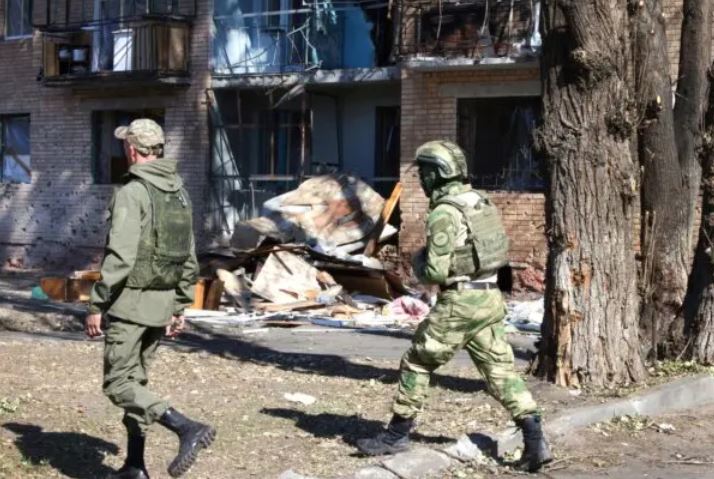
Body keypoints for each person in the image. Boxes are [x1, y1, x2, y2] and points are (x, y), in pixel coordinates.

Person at [356, 140, 552, 472]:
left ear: (438, 174)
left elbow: (434, 271)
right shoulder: (478, 200)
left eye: (425, 173)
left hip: (461, 301)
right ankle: (535, 440)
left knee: (417, 361)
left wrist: (418, 262)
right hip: (489, 297)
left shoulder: (445, 212)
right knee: (500, 372)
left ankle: (396, 434)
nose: (422, 179)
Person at [85, 119, 216, 479]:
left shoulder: (133, 192)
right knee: (136, 385)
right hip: (160, 307)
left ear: (131, 149)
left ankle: (185, 426)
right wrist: (179, 305)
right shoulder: (179, 192)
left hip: (130, 305)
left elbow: (121, 257)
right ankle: (134, 467)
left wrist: (97, 303)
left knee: (118, 384)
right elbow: (189, 257)